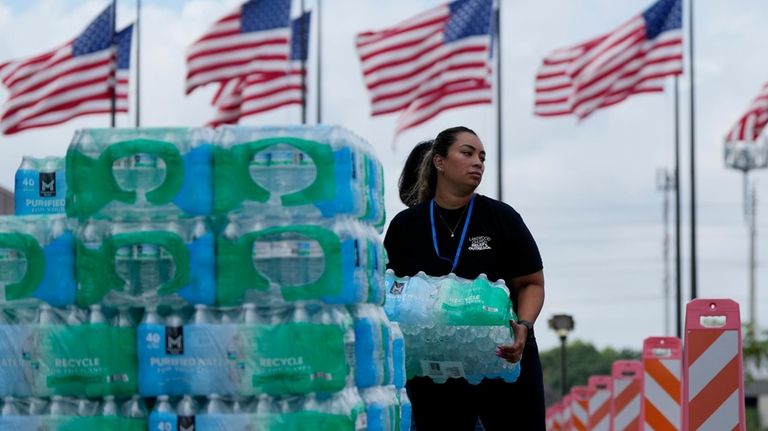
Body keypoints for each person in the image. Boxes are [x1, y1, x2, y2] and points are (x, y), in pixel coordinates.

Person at [384, 126, 546, 430]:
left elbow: (531, 283)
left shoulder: (502, 217)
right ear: (439, 162)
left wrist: (524, 326)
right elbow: (391, 292)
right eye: (467, 153)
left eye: (482, 157)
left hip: (503, 359)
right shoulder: (406, 226)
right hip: (436, 369)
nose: (478, 163)